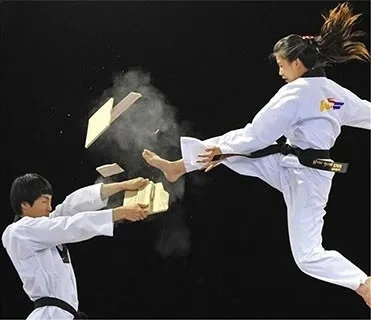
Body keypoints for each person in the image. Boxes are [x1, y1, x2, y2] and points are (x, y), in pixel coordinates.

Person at [141, 2, 371, 308]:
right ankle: (179, 167)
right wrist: (225, 150)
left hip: (307, 177)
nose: (280, 72)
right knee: (231, 152)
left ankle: (363, 284)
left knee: (307, 254)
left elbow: (257, 134)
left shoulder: (296, 93)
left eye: (281, 65)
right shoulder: (332, 95)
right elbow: (363, 113)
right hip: (292, 163)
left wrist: (225, 149)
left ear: (297, 64)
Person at [2, 173, 150, 319]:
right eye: (44, 201)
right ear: (25, 205)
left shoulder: (44, 227)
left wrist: (123, 186)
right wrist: (119, 213)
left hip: (63, 314)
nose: (49, 207)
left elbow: (73, 205)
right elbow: (71, 225)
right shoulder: (19, 232)